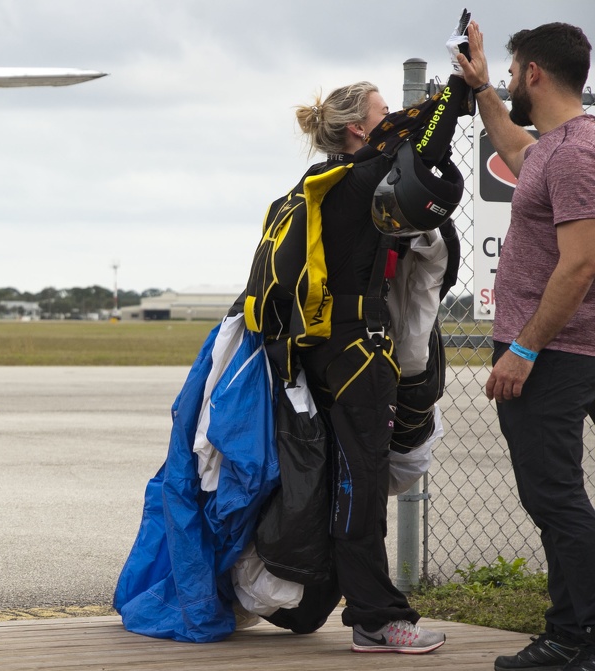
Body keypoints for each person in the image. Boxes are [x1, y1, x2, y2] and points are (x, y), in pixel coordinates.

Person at [229, 12, 475, 651]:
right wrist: (460, 79)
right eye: (383, 112)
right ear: (356, 130)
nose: (393, 120)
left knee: (352, 478)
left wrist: (459, 82)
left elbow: (417, 146)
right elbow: (428, 143)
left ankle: (346, 603)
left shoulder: (315, 185)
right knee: (361, 482)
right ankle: (374, 618)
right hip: (356, 353)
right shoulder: (360, 181)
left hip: (322, 354)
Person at [457, 20, 595, 671]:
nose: (510, 82)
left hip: (557, 354)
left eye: (512, 73)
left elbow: (579, 264)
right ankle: (571, 631)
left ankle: (578, 636)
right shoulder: (557, 147)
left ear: (534, 73)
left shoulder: (574, 154)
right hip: (563, 350)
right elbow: (517, 153)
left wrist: (526, 350)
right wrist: (482, 86)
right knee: (555, 495)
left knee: (554, 495)